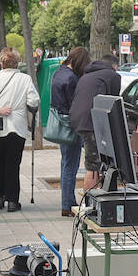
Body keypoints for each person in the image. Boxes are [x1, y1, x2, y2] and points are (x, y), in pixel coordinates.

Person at [0, 47, 39, 213]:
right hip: (17, 125)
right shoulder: (24, 79)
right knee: (13, 163)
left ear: (1, 62)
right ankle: (12, 201)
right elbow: (33, 101)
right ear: (17, 62)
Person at [70, 52, 122, 193]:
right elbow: (113, 103)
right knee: (93, 166)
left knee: (96, 162)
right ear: (114, 66)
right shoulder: (113, 76)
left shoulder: (87, 75)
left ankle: (95, 198)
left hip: (79, 120)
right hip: (91, 123)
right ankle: (88, 203)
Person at [50, 46, 89, 216]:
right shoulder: (72, 79)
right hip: (71, 126)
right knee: (70, 166)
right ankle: (68, 204)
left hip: (61, 123)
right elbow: (75, 104)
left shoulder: (58, 73)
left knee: (66, 163)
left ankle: (68, 202)